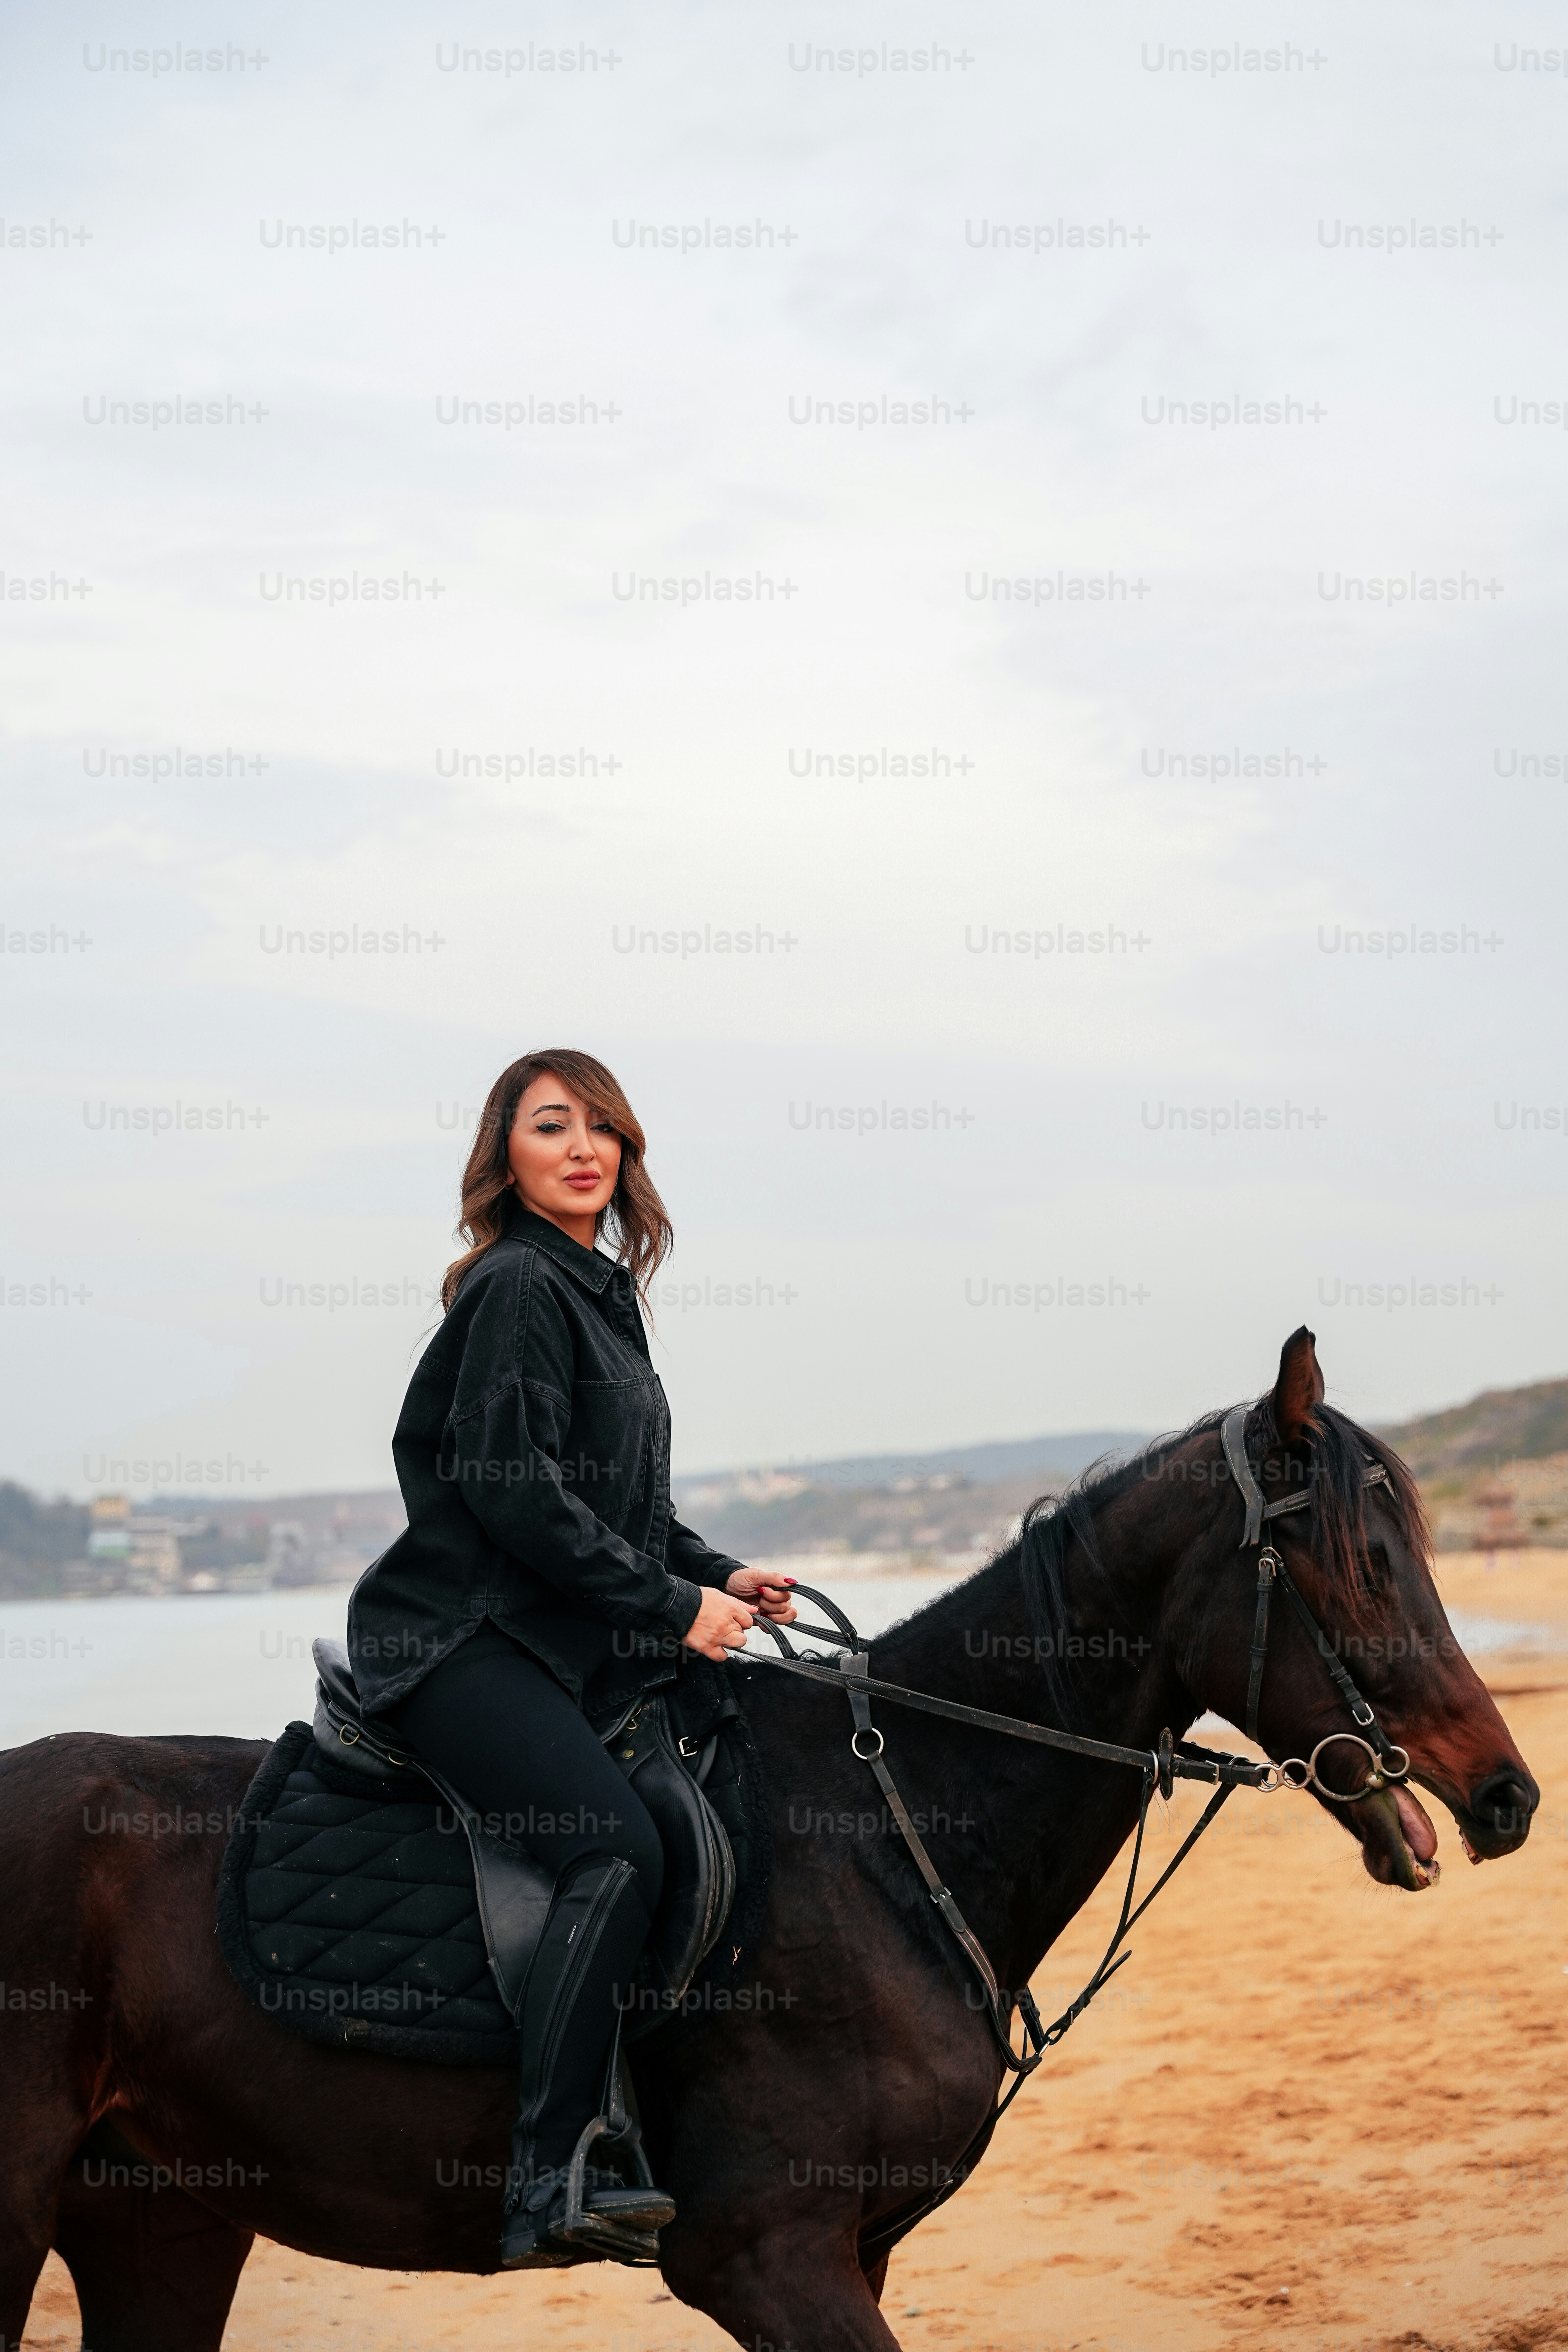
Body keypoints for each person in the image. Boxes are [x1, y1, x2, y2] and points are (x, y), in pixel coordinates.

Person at [347, 1049, 795, 2265]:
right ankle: (555, 2171)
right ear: (508, 1157)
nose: (587, 1147)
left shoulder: (598, 1290)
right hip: (462, 1637)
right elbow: (515, 1497)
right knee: (615, 1843)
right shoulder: (516, 1287)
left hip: (559, 1634)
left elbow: (615, 1497)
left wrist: (712, 1575)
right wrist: (666, 1605)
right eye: (555, 1127)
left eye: (608, 1129)